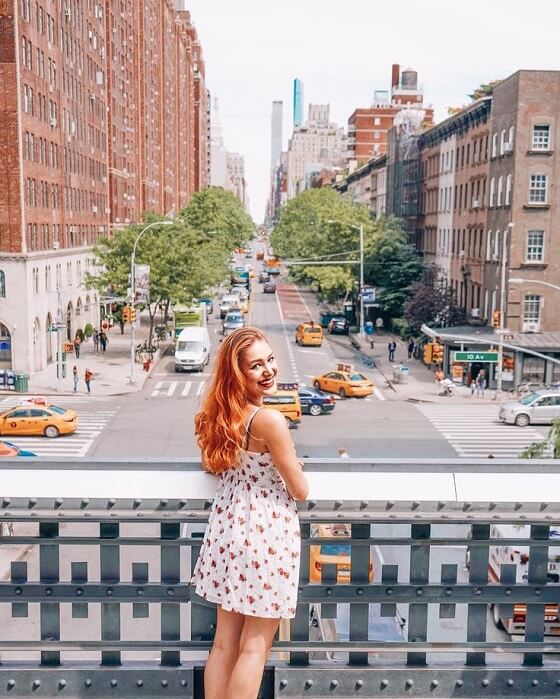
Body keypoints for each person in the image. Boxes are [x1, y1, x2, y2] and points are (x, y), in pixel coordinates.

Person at [191, 327, 308, 699]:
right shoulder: (269, 421)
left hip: (228, 530)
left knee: (224, 643)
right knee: (255, 646)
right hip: (267, 535)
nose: (268, 370)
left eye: (270, 360)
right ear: (238, 373)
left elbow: (217, 467)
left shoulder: (219, 415)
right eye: (256, 365)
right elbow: (300, 490)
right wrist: (293, 463)